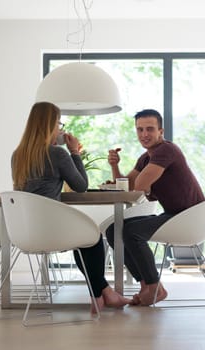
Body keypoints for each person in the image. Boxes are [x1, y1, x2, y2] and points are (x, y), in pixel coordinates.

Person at [11, 101, 130, 313]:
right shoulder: (57, 154)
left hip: (26, 232)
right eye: (58, 124)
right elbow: (81, 186)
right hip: (51, 231)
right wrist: (74, 151)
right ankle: (100, 296)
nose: (61, 129)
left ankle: (104, 295)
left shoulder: (18, 155)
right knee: (92, 237)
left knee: (84, 238)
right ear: (49, 126)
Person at [105, 108, 205, 306]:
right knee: (113, 230)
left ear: (161, 131)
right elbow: (127, 186)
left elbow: (139, 185)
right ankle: (146, 285)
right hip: (172, 215)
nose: (144, 135)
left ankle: (155, 287)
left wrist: (143, 186)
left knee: (132, 231)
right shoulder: (146, 157)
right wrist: (115, 166)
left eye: (150, 129)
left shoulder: (166, 150)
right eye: (140, 130)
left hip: (187, 217)